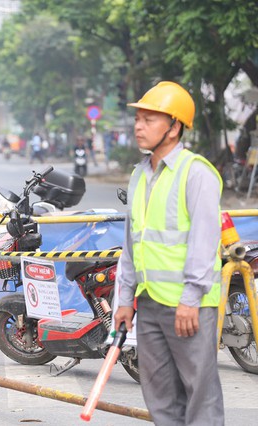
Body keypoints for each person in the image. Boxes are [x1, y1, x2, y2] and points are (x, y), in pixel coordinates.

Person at [114, 81, 224, 425]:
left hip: (188, 307)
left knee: (200, 397)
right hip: (149, 304)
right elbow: (134, 243)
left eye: (149, 119)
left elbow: (205, 242)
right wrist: (124, 298)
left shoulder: (197, 173)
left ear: (174, 127)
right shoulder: (139, 175)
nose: (139, 126)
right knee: (160, 399)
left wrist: (191, 298)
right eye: (138, 119)